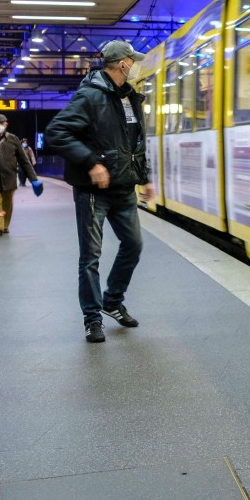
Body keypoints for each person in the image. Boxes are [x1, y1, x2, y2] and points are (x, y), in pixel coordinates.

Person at [46, 40, 155, 343]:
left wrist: (144, 177)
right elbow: (56, 132)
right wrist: (92, 163)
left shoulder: (130, 98)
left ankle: (112, 300)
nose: (134, 66)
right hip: (94, 191)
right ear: (122, 63)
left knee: (133, 245)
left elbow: (135, 144)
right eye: (132, 61)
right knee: (90, 257)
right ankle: (92, 318)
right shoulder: (90, 96)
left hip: (123, 188)